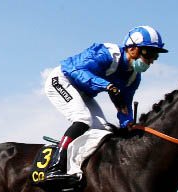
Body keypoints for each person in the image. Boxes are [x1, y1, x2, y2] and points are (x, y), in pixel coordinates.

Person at [43, 25, 168, 182]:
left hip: (83, 93)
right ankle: (55, 166)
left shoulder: (133, 77)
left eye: (155, 56)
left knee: (103, 131)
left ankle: (75, 166)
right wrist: (106, 85)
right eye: (148, 53)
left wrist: (128, 123)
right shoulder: (107, 53)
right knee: (83, 118)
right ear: (132, 48)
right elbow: (77, 70)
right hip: (61, 80)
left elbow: (124, 104)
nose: (151, 60)